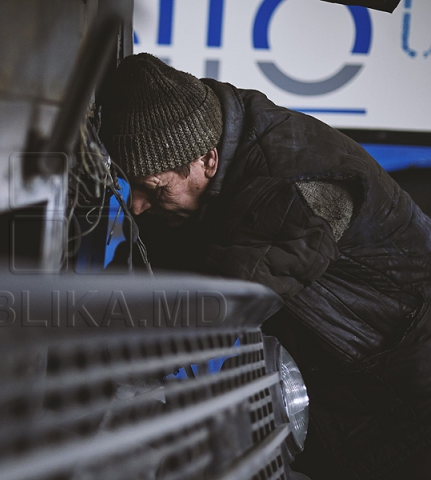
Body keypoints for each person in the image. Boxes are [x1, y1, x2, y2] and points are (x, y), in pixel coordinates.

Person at [99, 53, 431, 480]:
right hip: (345, 371)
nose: (138, 207)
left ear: (207, 160)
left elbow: (212, 311)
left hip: (405, 390)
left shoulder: (290, 189)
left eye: (153, 190)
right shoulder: (208, 130)